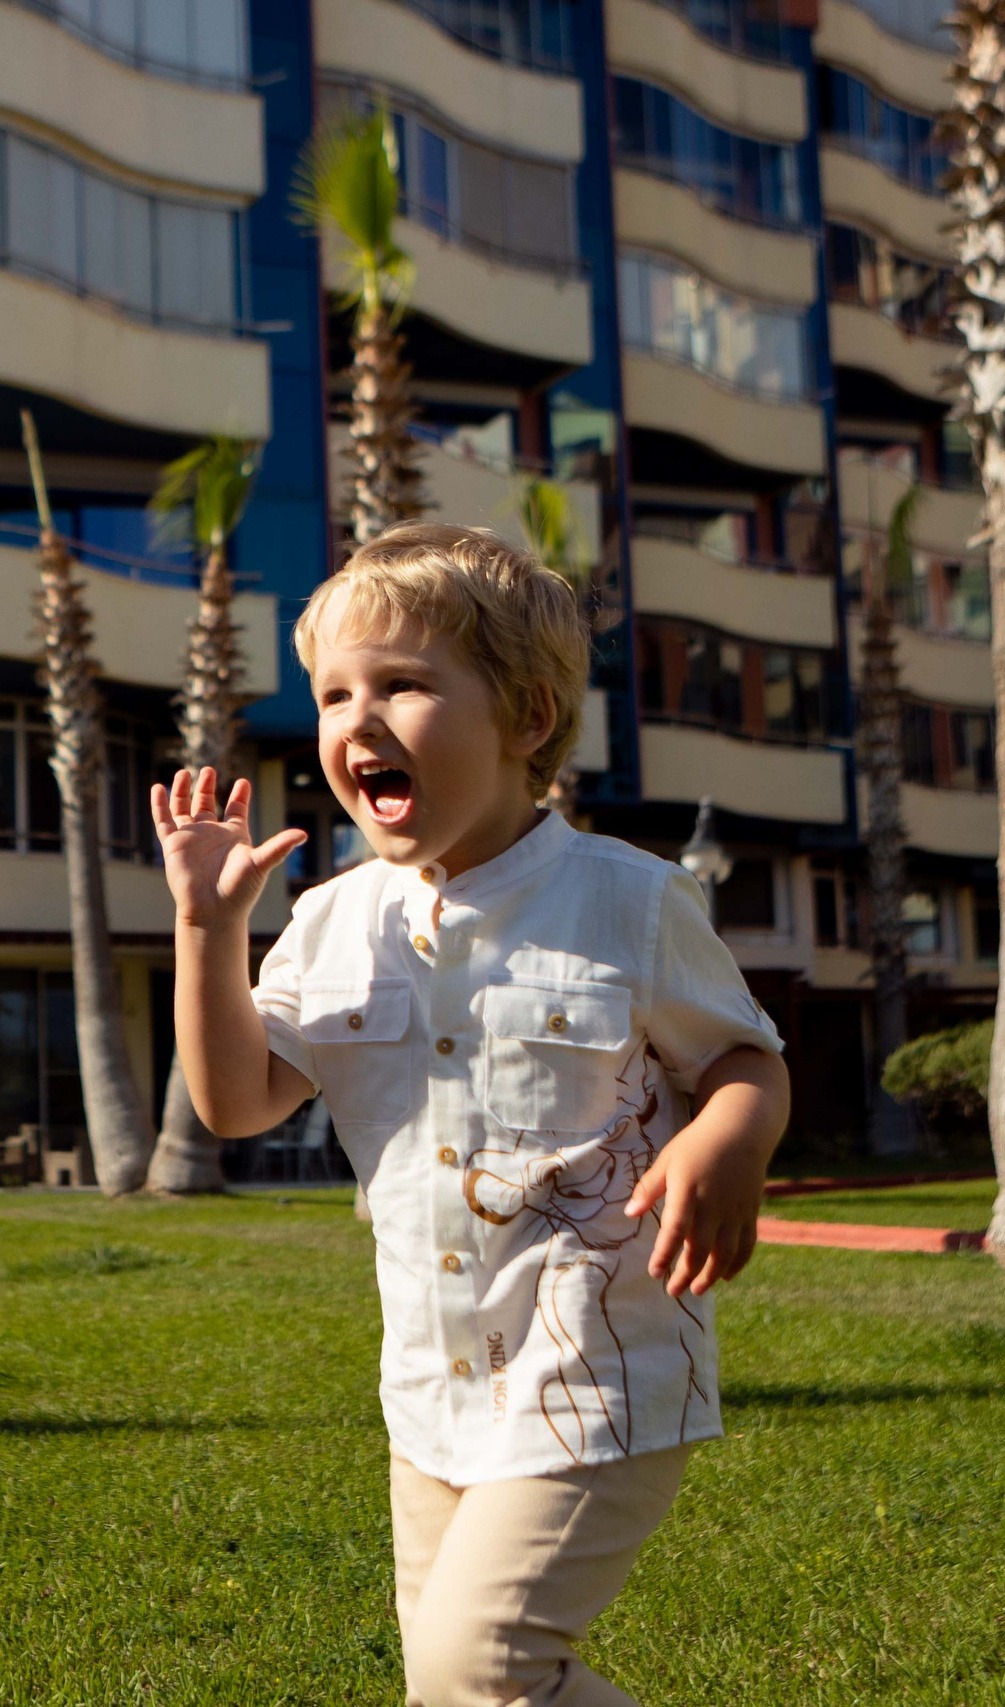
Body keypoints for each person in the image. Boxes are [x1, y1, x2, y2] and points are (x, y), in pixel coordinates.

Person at [154, 524, 790, 1707]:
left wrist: (724, 1138)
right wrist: (206, 929)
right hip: (430, 1390)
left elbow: (747, 1057)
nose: (357, 719)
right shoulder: (332, 921)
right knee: (458, 1692)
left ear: (527, 718)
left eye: (402, 684)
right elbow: (235, 1101)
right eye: (335, 692)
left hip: (592, 1374)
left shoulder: (629, 900)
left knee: (478, 1672)